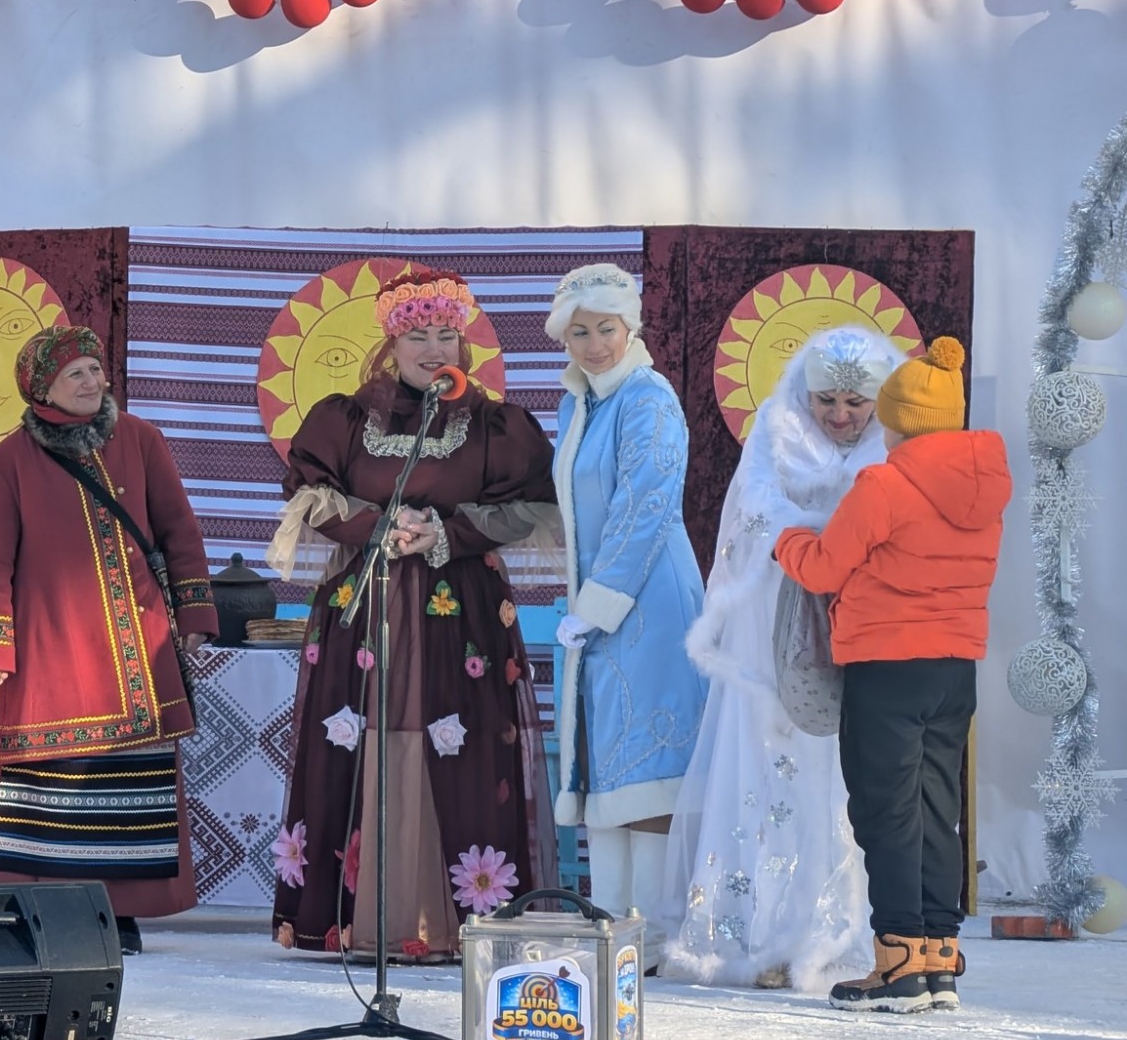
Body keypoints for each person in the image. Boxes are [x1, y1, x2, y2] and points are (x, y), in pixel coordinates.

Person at [268, 269, 558, 960]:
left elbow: (534, 508)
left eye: (447, 335)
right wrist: (379, 523)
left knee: (456, 740)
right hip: (363, 608)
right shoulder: (343, 419)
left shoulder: (496, 425)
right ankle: (352, 915)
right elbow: (309, 495)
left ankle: (453, 915)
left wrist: (445, 533)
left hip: (460, 615)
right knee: (361, 733)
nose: (434, 348)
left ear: (466, 344)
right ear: (390, 344)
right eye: (417, 335)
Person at [662, 326, 903, 992]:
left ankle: (826, 930)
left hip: (856, 627)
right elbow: (749, 518)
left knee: (838, 773)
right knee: (765, 767)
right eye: (827, 399)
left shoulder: (895, 445)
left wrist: (836, 536)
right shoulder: (776, 428)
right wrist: (805, 533)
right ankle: (753, 927)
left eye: (856, 402)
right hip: (772, 630)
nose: (841, 415)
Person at [0, 324, 217, 954]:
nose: (91, 381)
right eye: (75, 373)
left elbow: (179, 532)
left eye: (95, 369)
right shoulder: (8, 461)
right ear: (42, 386)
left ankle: (120, 909)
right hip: (50, 646)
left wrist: (193, 616)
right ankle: (49, 905)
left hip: (134, 642)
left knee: (130, 776)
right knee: (51, 779)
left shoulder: (141, 440)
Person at [776, 337, 1009, 1012]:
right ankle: (938, 957)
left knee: (885, 809)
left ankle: (898, 960)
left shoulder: (884, 482)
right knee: (940, 808)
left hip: (886, 663)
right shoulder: (985, 483)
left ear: (897, 417)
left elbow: (822, 567)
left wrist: (784, 538)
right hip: (954, 664)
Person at [548, 263, 708, 964]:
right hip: (600, 604)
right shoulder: (577, 402)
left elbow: (647, 505)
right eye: (579, 331)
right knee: (609, 762)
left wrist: (598, 603)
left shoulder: (648, 398)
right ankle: (609, 921)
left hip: (650, 599)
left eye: (604, 329)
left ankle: (654, 930)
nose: (593, 344)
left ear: (630, 327)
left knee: (650, 757)